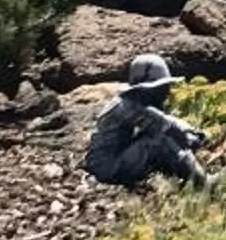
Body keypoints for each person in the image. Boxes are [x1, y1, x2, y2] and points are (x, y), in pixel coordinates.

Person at [83, 53, 212, 188]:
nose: (166, 91)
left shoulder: (130, 102)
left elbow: (166, 120)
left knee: (156, 138)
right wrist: (193, 136)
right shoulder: (128, 106)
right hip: (106, 168)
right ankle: (203, 183)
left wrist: (190, 132)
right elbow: (167, 125)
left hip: (108, 162)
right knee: (160, 141)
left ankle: (183, 177)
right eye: (162, 87)